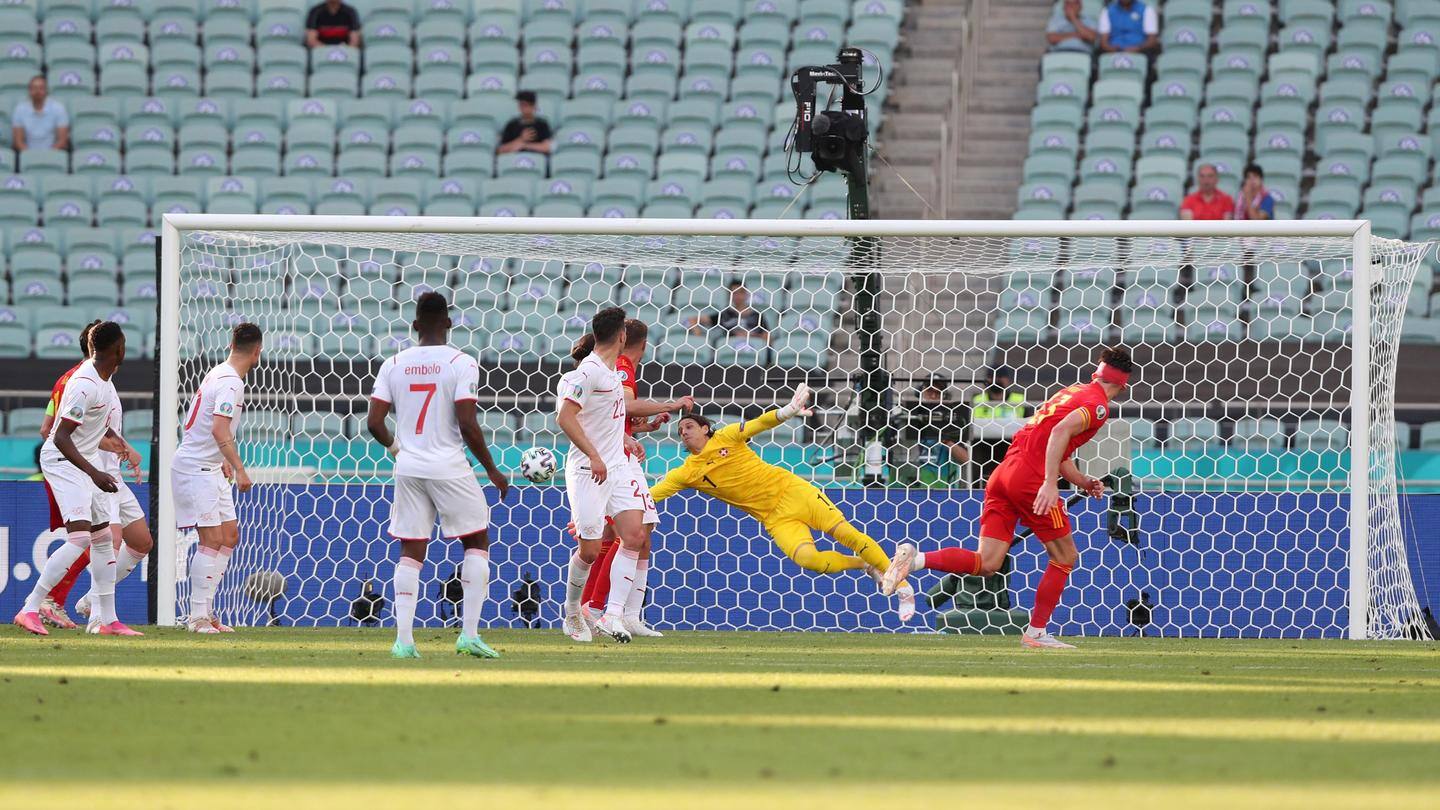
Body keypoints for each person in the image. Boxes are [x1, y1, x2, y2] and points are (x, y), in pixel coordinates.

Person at [884, 346, 1136, 649]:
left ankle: (915, 561)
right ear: (1123, 384)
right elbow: (1057, 434)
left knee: (988, 562)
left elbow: (1056, 445)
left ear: (1097, 373)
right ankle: (1036, 632)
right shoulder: (1097, 406)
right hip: (1030, 480)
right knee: (1065, 557)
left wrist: (1081, 480)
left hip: (1003, 474)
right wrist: (1048, 483)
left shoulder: (1071, 391)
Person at [650, 387, 918, 621]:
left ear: (705, 428)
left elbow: (760, 423)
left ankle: (903, 587)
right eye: (680, 430)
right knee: (808, 560)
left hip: (792, 491)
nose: (683, 432)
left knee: (846, 534)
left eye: (689, 426)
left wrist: (788, 410)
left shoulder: (727, 437)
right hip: (775, 517)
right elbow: (652, 495)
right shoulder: (686, 473)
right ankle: (864, 564)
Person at [366, 292, 511, 659]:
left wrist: (398, 450)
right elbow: (467, 423)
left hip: (409, 468)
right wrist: (491, 468)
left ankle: (403, 642)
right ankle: (469, 635)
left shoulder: (393, 363)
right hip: (448, 465)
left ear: (415, 326)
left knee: (411, 549)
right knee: (476, 540)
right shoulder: (461, 362)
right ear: (448, 323)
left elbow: (373, 423)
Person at [555, 307, 690, 644]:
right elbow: (565, 417)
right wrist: (595, 455)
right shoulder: (586, 374)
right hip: (589, 470)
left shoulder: (614, 373)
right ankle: (574, 613)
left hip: (616, 467)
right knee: (589, 551)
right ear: (622, 336)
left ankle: (613, 614)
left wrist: (657, 415)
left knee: (634, 535)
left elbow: (616, 415)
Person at [13, 323, 140, 637]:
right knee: (81, 538)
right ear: (118, 350)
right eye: (124, 343)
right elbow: (60, 437)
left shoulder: (105, 381)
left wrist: (118, 442)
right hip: (63, 461)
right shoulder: (84, 384)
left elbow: (95, 424)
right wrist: (94, 472)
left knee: (102, 541)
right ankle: (30, 607)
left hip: (86, 461)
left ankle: (107, 620)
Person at [172, 323, 263, 634]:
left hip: (208, 465)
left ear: (230, 345)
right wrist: (239, 468)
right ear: (257, 352)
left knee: (229, 537)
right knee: (211, 540)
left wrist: (220, 459)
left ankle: (207, 612)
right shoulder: (231, 383)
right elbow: (219, 429)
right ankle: (196, 617)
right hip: (196, 467)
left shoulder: (218, 372)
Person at [34, 319, 102, 629]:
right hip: (76, 467)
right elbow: (60, 432)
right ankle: (51, 600)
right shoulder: (87, 382)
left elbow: (45, 427)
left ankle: (58, 601)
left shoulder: (64, 379)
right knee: (91, 539)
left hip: (66, 467)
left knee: (95, 539)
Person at [902, 377, 971, 483]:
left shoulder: (952, 421)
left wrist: (946, 440)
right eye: (929, 391)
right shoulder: (907, 417)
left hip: (944, 488)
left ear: (944, 396)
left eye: (938, 392)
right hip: (909, 486)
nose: (933, 396)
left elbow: (966, 459)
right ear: (920, 392)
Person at [970, 365, 1029, 482]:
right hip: (983, 448)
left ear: (1008, 380)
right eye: (992, 377)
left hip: (1011, 448)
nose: (996, 380)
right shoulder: (977, 400)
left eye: (1000, 376)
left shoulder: (1020, 400)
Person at [689, 281, 771, 342]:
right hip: (728, 351)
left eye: (741, 292)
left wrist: (749, 336)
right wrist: (699, 337)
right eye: (734, 293)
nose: (737, 296)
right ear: (729, 295)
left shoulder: (757, 315)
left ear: (746, 294)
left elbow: (768, 339)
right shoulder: (725, 314)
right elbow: (693, 320)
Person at [11, 75, 69, 152]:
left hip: (53, 155)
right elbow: (18, 142)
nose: (37, 91)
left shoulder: (58, 108)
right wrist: (31, 156)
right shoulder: (20, 109)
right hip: (27, 156)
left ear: (46, 90)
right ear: (29, 91)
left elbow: (62, 140)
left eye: (41, 88)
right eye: (34, 88)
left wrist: (47, 156)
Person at [496, 91, 553, 155]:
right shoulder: (512, 124)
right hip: (514, 161)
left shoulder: (542, 124)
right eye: (521, 105)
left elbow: (546, 147)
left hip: (536, 161)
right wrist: (521, 139)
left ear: (534, 106)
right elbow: (501, 150)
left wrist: (525, 145)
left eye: (526, 105)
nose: (523, 108)